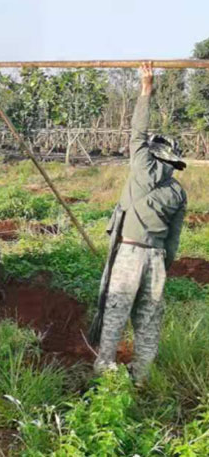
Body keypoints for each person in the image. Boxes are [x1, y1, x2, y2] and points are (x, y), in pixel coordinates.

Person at [94, 63, 187, 383]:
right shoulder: (178, 191)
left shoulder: (141, 168)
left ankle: (105, 374)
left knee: (116, 315)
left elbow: (137, 132)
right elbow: (173, 240)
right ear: (173, 162)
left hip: (129, 254)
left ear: (154, 154)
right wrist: (162, 264)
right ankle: (141, 378)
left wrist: (145, 90)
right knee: (148, 322)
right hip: (157, 258)